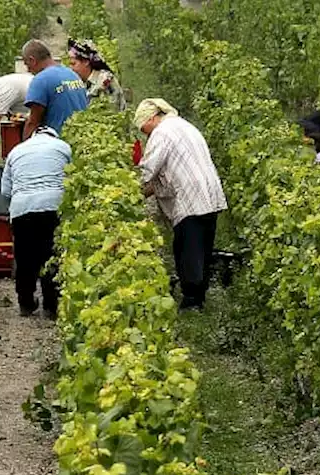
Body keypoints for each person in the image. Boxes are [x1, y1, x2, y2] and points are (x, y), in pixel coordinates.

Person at [136, 98, 228, 310]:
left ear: (151, 118)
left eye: (144, 128)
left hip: (191, 197)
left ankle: (192, 302)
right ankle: (199, 297)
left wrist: (128, 190)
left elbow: (147, 171)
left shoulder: (162, 132)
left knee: (188, 249)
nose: (145, 134)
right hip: (208, 193)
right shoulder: (183, 125)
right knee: (202, 247)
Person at [1, 126, 71, 319]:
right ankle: (51, 305)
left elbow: (5, 191)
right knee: (51, 254)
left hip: (22, 208)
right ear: (53, 135)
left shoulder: (16, 151)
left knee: (25, 257)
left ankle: (26, 303)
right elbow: (73, 180)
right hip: (53, 206)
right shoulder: (63, 147)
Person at [22, 39, 89, 137]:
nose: (28, 70)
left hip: (58, 141)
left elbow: (33, 122)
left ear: (32, 60)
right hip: (81, 137)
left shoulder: (40, 79)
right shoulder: (72, 74)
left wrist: (24, 148)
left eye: (27, 64)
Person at [67, 38, 125, 110]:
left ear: (86, 62)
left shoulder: (105, 81)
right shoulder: (79, 82)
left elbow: (111, 112)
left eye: (73, 64)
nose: (70, 68)